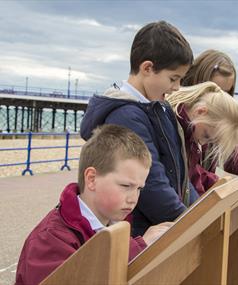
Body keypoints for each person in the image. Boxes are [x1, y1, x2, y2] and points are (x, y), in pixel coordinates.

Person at [15, 125, 173, 285]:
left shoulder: (114, 223)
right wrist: (138, 247)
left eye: (139, 188)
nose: (133, 198)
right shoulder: (50, 239)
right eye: (126, 186)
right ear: (91, 179)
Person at [80, 21, 197, 237]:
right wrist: (189, 221)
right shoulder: (126, 115)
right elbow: (151, 182)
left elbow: (179, 174)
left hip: (161, 226)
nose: (177, 87)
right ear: (147, 68)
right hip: (141, 232)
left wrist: (198, 211)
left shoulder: (159, 108)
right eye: (173, 78)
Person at [180, 49, 238, 193]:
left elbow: (225, 149)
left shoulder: (212, 120)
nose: (221, 96)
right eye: (215, 90)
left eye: (226, 92)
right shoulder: (187, 120)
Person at [166, 82, 238, 195]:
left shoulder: (192, 133)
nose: (202, 143)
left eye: (210, 141)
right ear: (201, 112)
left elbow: (192, 173)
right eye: (206, 136)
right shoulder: (173, 129)